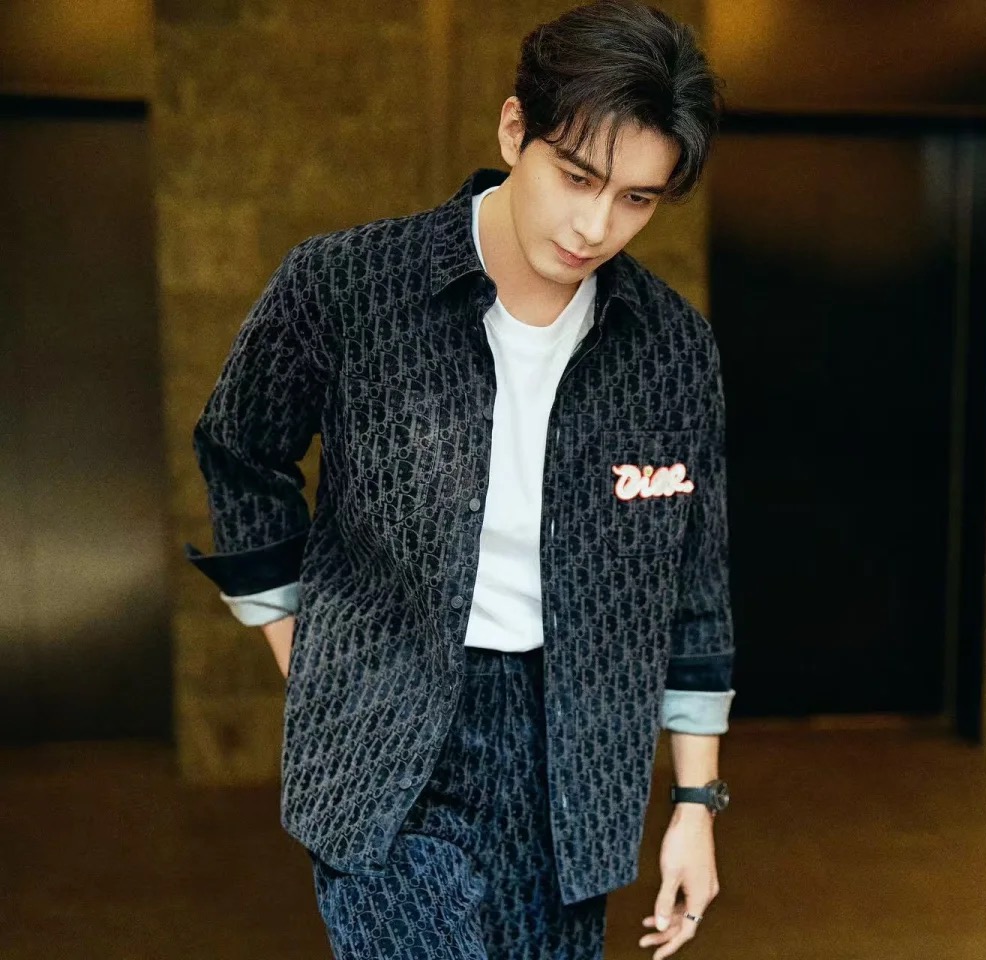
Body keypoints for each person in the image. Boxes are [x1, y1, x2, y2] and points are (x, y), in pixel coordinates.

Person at [181, 2, 734, 957]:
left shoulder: (671, 350)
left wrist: (695, 802)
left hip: (577, 765)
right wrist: (304, 655)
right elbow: (241, 451)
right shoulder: (347, 287)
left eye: (637, 200)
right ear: (515, 130)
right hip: (383, 745)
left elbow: (693, 581)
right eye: (577, 177)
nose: (596, 225)